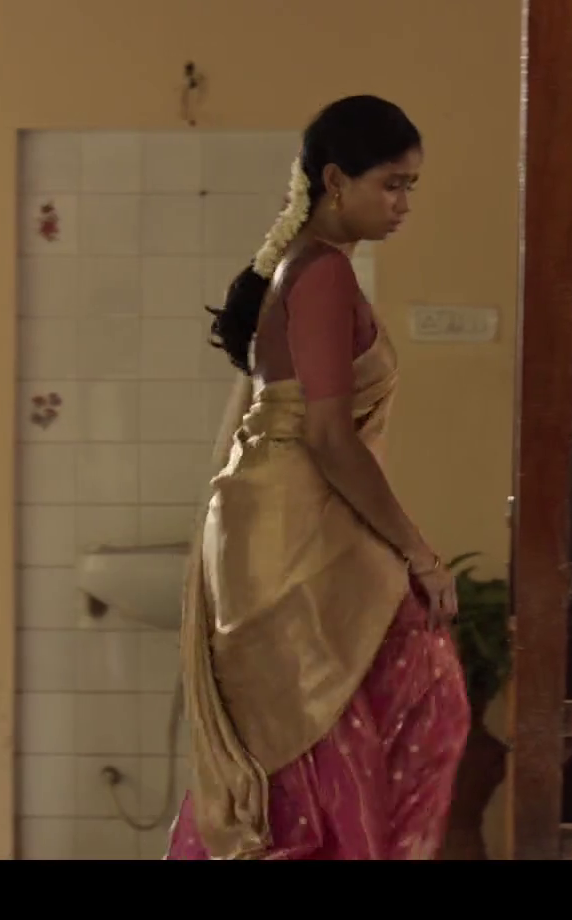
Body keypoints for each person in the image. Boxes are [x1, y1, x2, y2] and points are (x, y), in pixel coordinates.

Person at [165, 95, 471, 860]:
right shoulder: (322, 272)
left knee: (378, 707)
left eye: (410, 188)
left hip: (290, 518)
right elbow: (331, 438)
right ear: (335, 180)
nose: (403, 205)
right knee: (347, 722)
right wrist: (421, 555)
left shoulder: (307, 267)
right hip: (291, 526)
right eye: (391, 185)